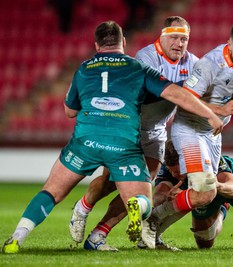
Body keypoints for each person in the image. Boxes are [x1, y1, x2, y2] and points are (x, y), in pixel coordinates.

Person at [2, 20, 222, 254]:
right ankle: (134, 204)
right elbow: (176, 94)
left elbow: (69, 111)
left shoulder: (84, 68)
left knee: (51, 191)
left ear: (97, 44)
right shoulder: (138, 66)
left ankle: (16, 238)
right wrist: (209, 113)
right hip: (123, 142)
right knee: (143, 199)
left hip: (85, 141)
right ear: (124, 43)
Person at [68, 16, 200, 251]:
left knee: (142, 187)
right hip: (130, 126)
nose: (180, 43)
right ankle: (82, 207)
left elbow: (199, 93)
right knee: (110, 181)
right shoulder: (146, 56)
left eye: (185, 39)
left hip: (156, 130)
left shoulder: (193, 63)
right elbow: (157, 93)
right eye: (175, 37)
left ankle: (98, 236)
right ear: (162, 36)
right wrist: (183, 88)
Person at [146, 21, 233, 242]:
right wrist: (221, 110)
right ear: (229, 44)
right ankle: (152, 222)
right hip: (189, 129)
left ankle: (152, 233)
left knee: (205, 196)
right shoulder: (209, 64)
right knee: (205, 191)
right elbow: (186, 100)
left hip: (213, 135)